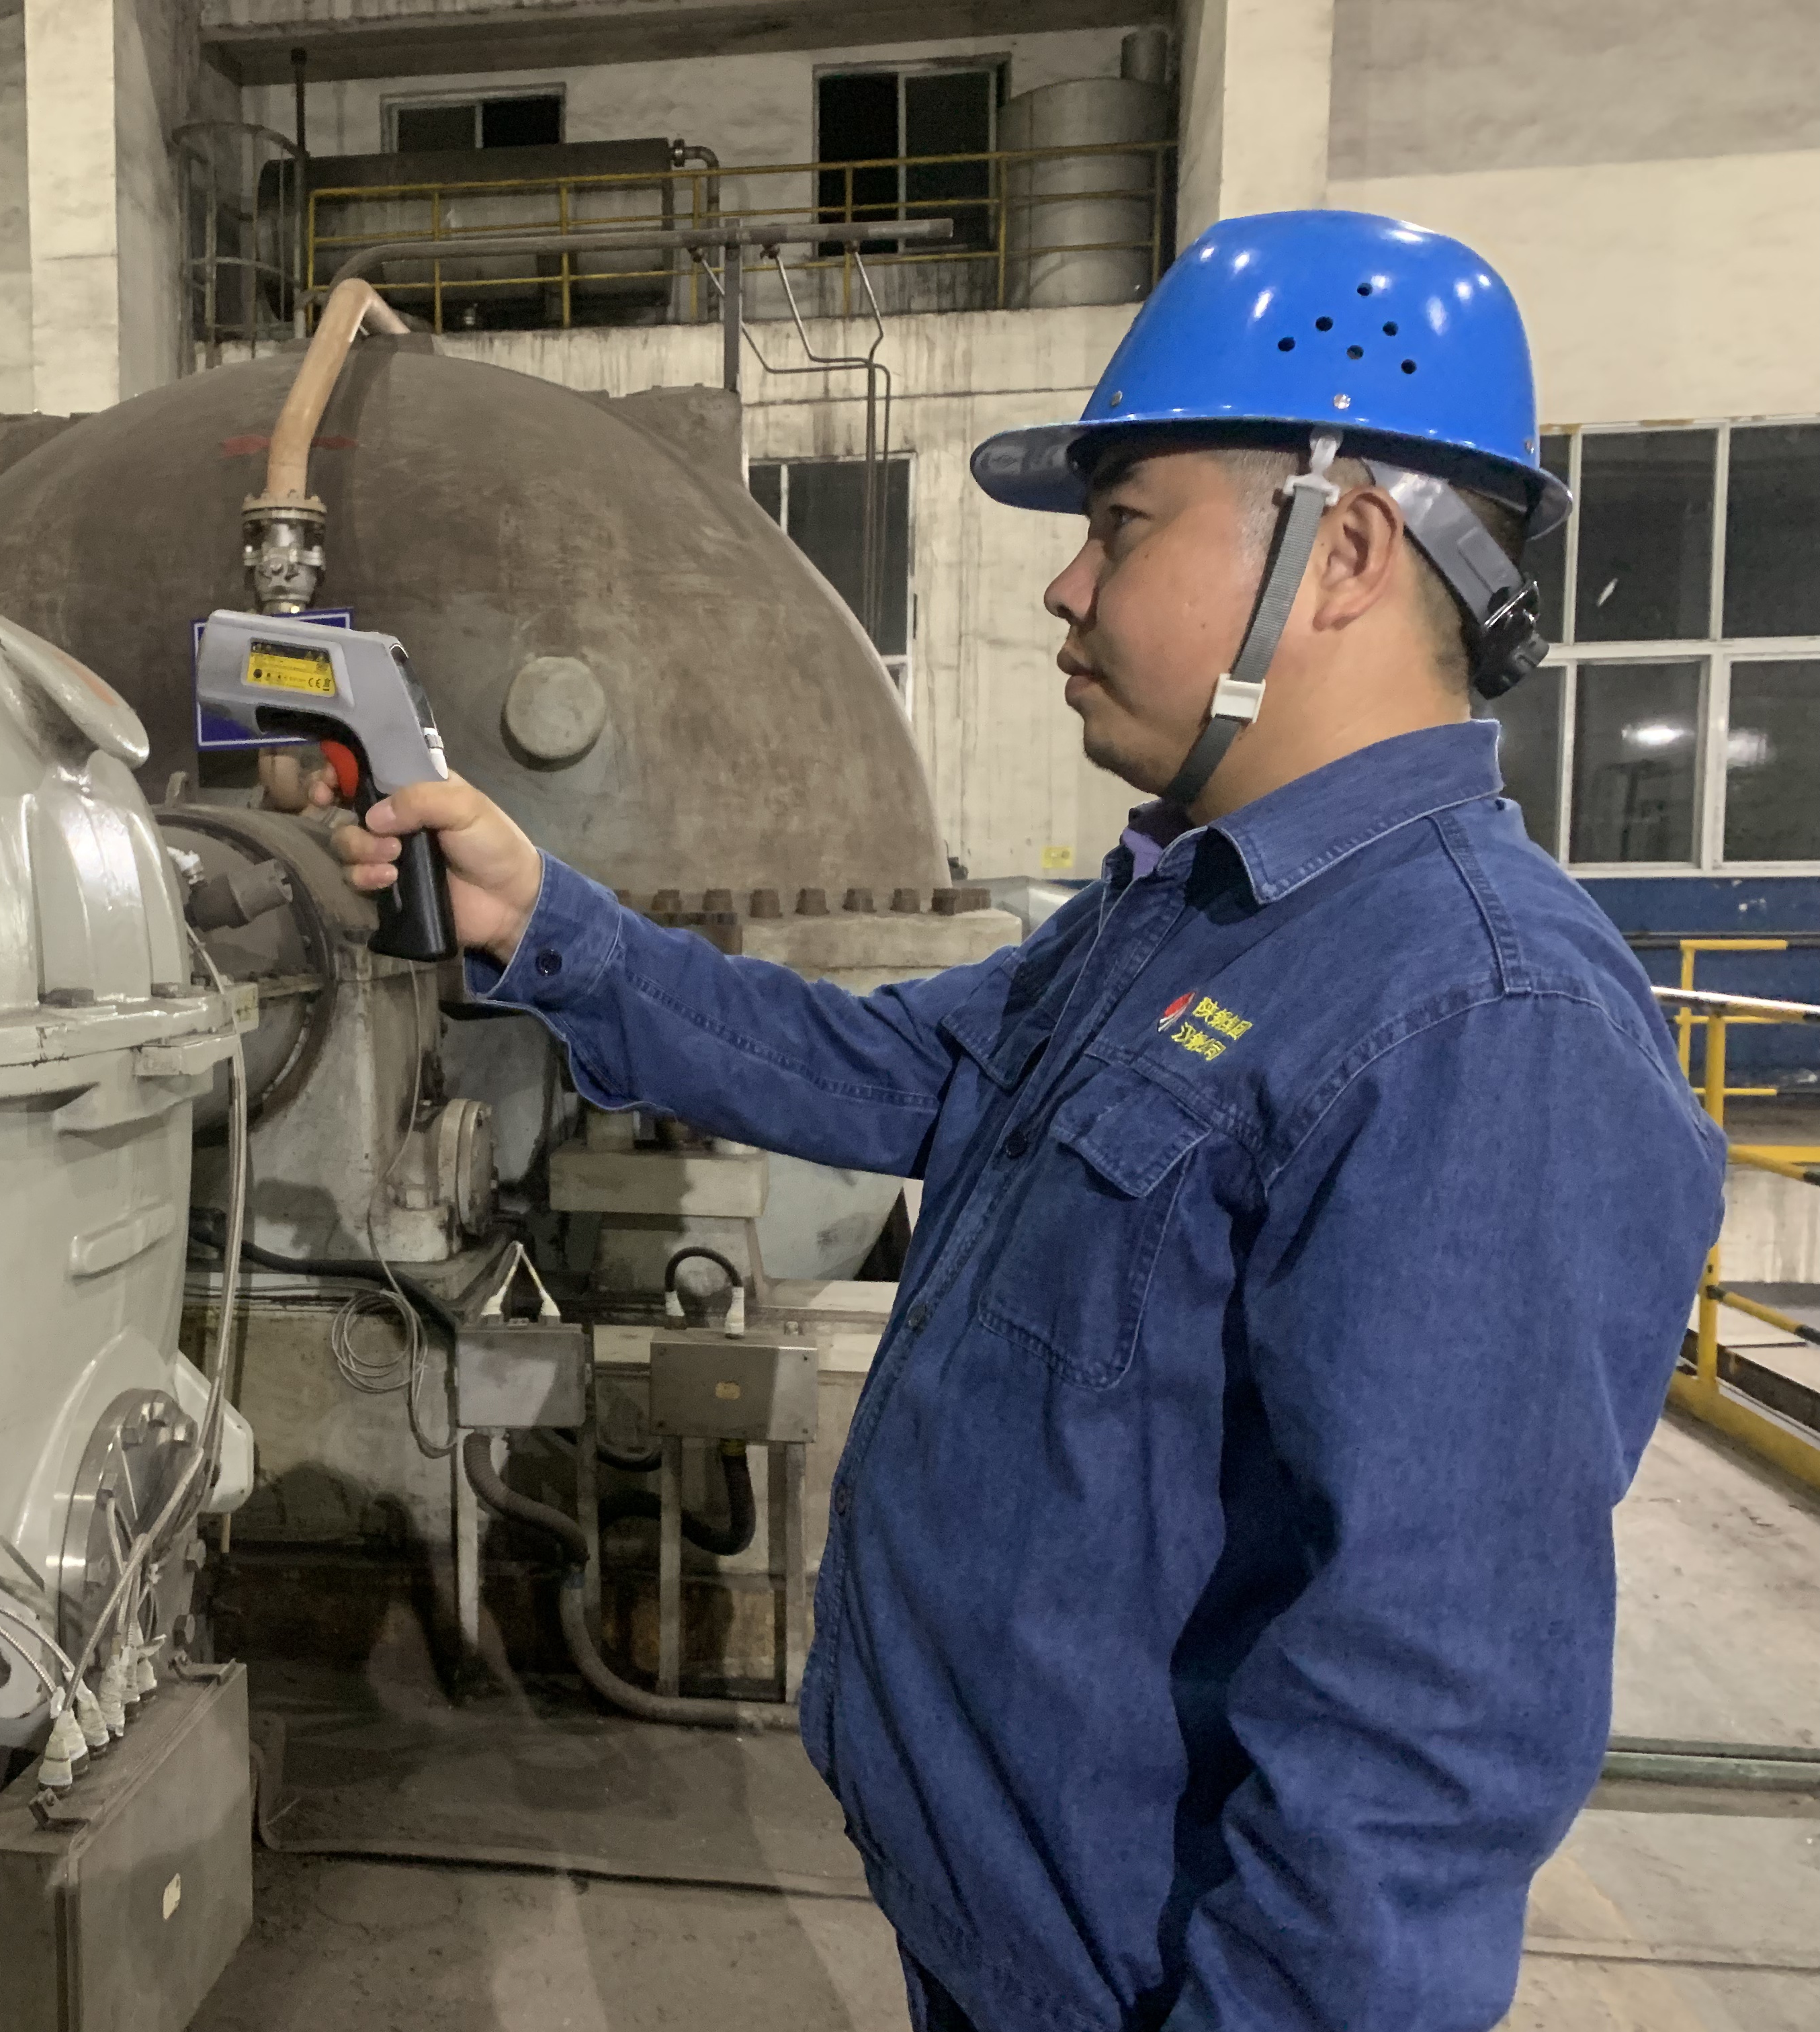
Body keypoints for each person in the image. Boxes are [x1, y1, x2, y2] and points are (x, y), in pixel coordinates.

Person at [322, 211, 1727, 2031]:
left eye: (1123, 526)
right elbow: (889, 1073)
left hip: (1144, 1978)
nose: (1067, 590)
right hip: (995, 1919)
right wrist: (547, 928)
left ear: (1346, 549)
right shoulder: (1197, 912)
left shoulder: (1480, 1017)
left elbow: (1423, 1727)